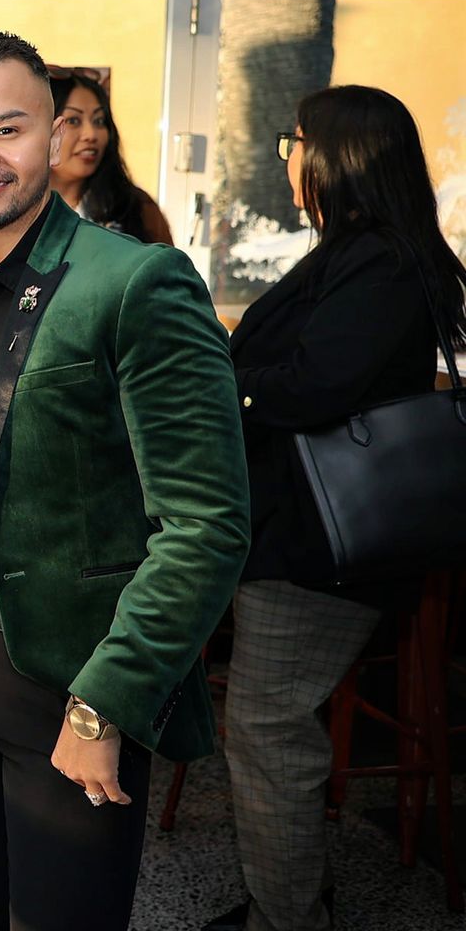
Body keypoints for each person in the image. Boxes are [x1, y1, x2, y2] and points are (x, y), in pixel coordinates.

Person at [0, 30, 250, 930]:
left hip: (70, 680)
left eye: (6, 129)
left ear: (52, 137)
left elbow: (205, 525)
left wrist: (106, 702)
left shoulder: (136, 281)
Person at [209, 85, 466, 931]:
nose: (289, 159)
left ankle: (288, 917)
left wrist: (220, 386)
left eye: (296, 143)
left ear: (337, 158)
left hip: (320, 546)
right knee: (269, 726)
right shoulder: (362, 251)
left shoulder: (380, 261)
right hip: (305, 530)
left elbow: (316, 384)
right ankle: (286, 900)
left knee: (268, 730)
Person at [0, 69, 171, 275]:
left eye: (99, 121)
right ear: (51, 136)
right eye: (74, 121)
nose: (90, 135)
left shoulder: (136, 207)